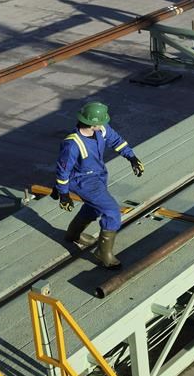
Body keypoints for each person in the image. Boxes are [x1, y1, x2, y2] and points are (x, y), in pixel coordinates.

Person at [53, 101, 144, 269]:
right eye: (100, 121)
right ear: (93, 123)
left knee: (94, 207)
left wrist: (132, 158)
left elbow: (117, 141)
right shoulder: (72, 144)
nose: (104, 124)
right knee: (111, 212)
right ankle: (103, 253)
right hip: (83, 181)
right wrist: (63, 194)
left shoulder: (101, 130)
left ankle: (73, 234)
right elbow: (62, 171)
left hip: (99, 176)